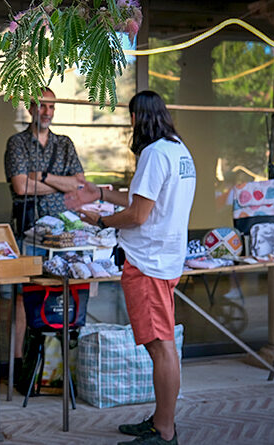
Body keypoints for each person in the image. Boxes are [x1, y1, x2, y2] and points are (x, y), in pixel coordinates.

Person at [66, 90, 196, 445]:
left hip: (149, 263)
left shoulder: (154, 154)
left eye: (130, 118)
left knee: (160, 346)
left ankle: (165, 431)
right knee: (163, 344)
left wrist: (102, 222)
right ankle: (160, 420)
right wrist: (102, 195)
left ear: (138, 118)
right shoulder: (179, 151)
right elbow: (143, 200)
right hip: (165, 261)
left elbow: (138, 215)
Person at [3, 87, 85, 369]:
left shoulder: (65, 144)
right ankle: (21, 366)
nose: (47, 112)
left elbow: (80, 185)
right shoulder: (17, 143)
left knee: (66, 296)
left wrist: (45, 176)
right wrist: (61, 185)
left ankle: (61, 367)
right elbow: (21, 186)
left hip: (63, 236)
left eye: (51, 107)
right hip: (29, 232)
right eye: (41, 106)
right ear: (30, 107)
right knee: (26, 299)